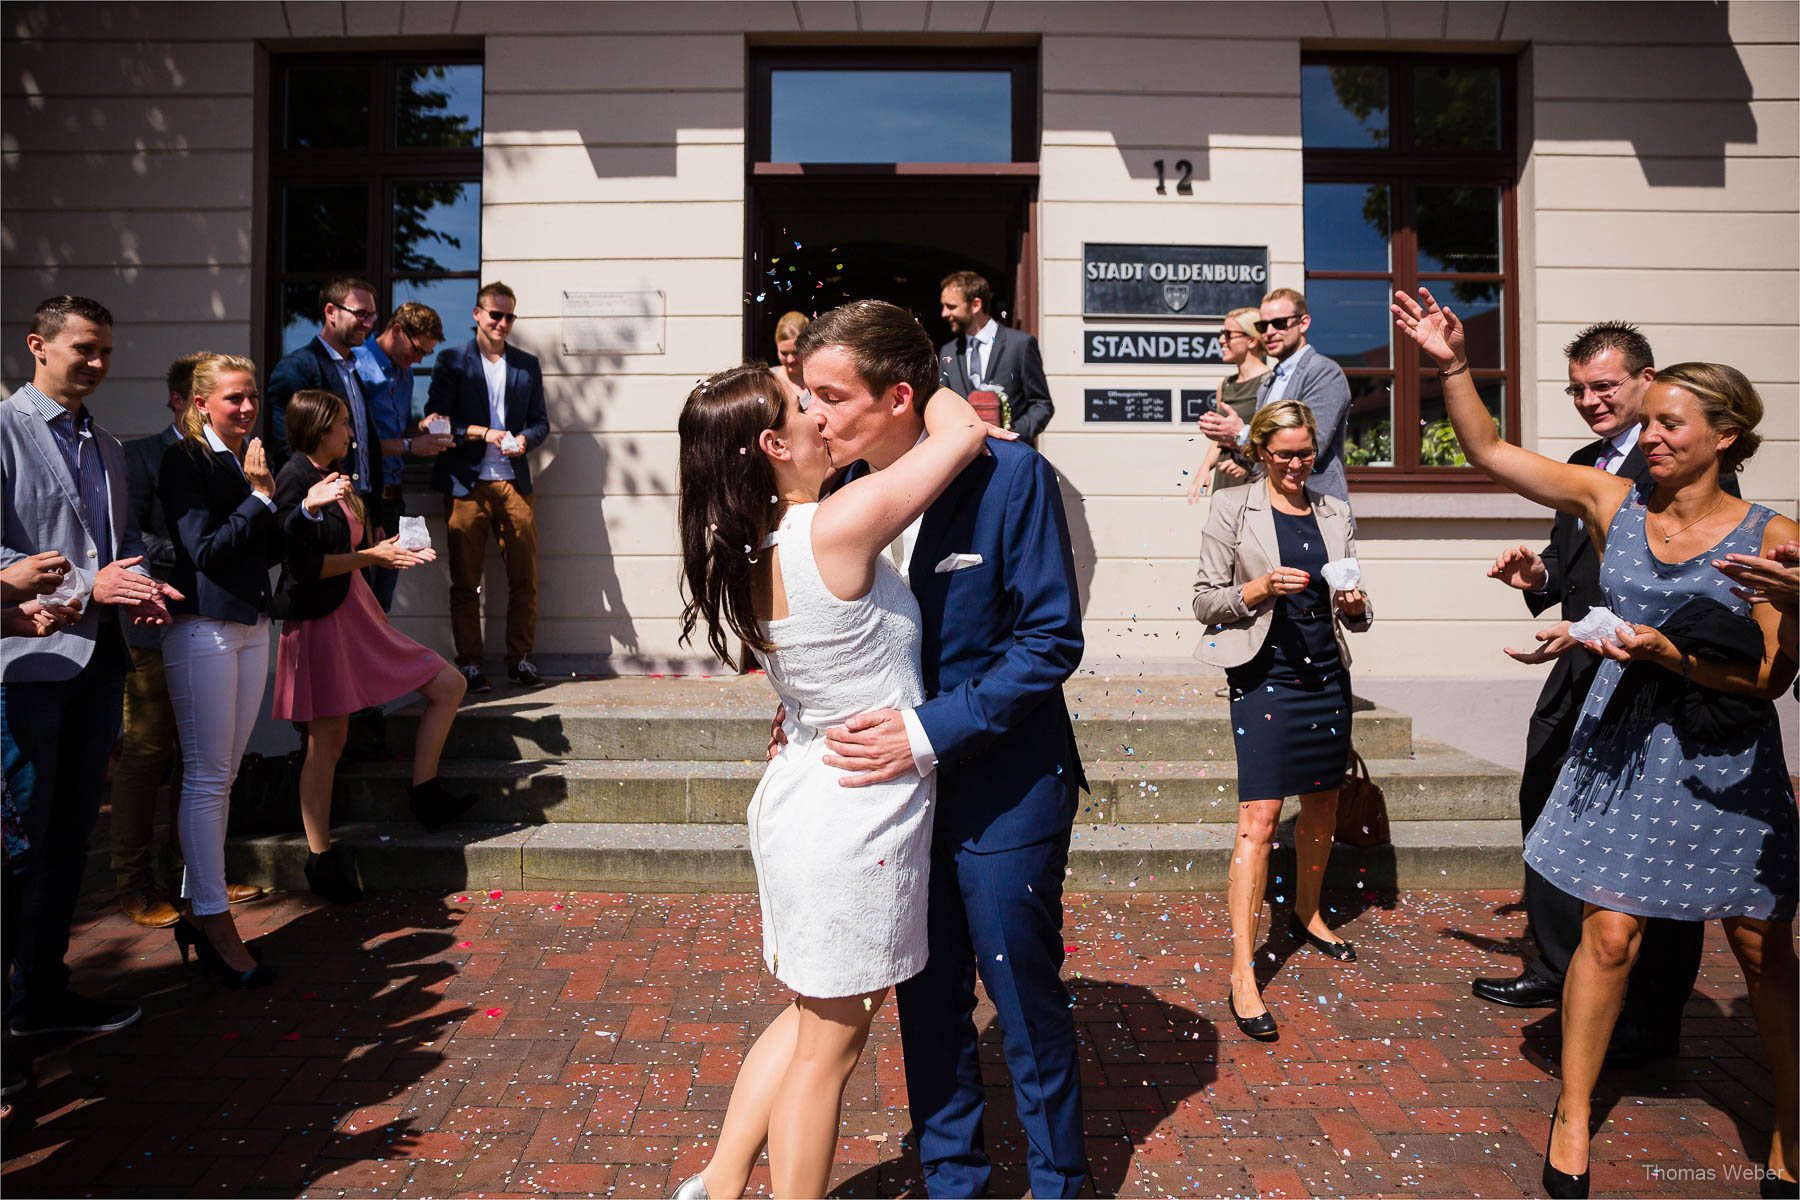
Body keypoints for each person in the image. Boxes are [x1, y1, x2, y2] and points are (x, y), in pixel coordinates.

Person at [1396, 286, 1798, 1200]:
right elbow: (1492, 451)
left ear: (1724, 435)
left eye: (1668, 423)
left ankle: (1791, 1123)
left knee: (1762, 948)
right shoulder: (1610, 500)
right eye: (1645, 423)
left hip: (1724, 760)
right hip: (1622, 746)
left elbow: (1769, 681)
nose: (1648, 437)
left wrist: (1692, 651)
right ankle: (1572, 1116)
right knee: (1608, 933)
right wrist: (1453, 364)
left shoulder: (1774, 539)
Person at [671, 357, 989, 1200]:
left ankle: (722, 1181)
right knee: (833, 1048)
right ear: (774, 442)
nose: (820, 412)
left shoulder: (750, 546)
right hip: (855, 813)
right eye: (800, 404)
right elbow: (960, 430)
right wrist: (926, 372)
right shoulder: (835, 523)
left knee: (819, 1014)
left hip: (812, 789)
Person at [811, 301, 1089, 1200]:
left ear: (899, 398)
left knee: (1021, 1001)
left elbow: (1048, 643)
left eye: (830, 395)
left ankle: (1059, 1184)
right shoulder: (837, 496)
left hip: (1006, 784)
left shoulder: (1014, 479)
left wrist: (928, 732)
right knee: (927, 1008)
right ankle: (953, 1182)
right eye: (805, 397)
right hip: (890, 802)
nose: (814, 416)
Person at [1472, 323, 1710, 1071]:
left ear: (1647, 380)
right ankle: (1556, 966)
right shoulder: (1584, 465)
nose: (1589, 400)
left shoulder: (1678, 465)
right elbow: (1571, 568)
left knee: (1650, 848)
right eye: (1577, 388)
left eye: (1604, 386)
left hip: (1646, 679)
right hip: (1574, 669)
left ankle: (1647, 1022)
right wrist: (1536, 577)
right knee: (1546, 810)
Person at [1, 295, 180, 1040]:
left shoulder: (108, 445)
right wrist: (86, 583)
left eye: (107, 350)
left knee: (73, 835)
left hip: (100, 662)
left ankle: (41, 996)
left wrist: (136, 586)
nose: (100, 364)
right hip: (26, 666)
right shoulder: (5, 428)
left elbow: (115, 547)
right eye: (85, 349)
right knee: (21, 844)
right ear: (39, 345)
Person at [1190, 399, 1371, 1042]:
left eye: (1307, 453)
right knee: (1260, 819)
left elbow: (1358, 608)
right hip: (1265, 678)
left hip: (1326, 677)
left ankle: (1308, 910)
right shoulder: (1232, 506)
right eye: (1286, 454)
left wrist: (1353, 603)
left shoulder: (1334, 512)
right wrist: (1259, 589)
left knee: (1322, 803)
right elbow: (1205, 600)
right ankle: (1243, 968)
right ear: (1262, 451)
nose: (1299, 465)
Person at [270, 391, 473, 904]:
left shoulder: (337, 474)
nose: (350, 433)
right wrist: (371, 558)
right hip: (323, 621)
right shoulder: (294, 478)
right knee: (327, 743)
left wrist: (389, 550)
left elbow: (355, 545)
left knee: (449, 683)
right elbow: (305, 568)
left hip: (358, 612)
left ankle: (424, 793)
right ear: (319, 429)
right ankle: (320, 859)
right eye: (341, 424)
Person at [156, 354, 294, 987]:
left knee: (226, 774)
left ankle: (196, 906)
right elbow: (205, 553)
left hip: (251, 623)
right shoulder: (185, 461)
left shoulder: (249, 458)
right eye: (233, 399)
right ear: (201, 403)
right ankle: (213, 919)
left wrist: (285, 502)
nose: (246, 408)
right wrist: (260, 497)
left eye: (251, 398)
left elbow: (263, 548)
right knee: (208, 777)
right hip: (203, 628)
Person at [112, 353, 252, 929]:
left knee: (202, 758)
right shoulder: (143, 455)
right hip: (153, 619)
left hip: (212, 619)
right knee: (149, 750)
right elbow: (130, 535)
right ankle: (134, 882)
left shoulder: (235, 455)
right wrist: (182, 569)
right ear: (184, 400)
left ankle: (193, 873)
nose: (242, 409)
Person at [425, 281, 551, 693]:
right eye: (495, 314)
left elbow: (541, 423)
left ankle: (520, 660)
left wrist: (525, 441)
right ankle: (471, 665)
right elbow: (436, 420)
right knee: (465, 581)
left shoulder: (526, 364)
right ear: (477, 314)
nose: (502, 323)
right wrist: (484, 433)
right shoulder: (451, 360)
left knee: (524, 578)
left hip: (514, 483)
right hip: (467, 484)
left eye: (509, 316)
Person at [1198, 287, 1353, 501]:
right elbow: (1265, 457)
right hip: (1275, 508)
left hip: (1317, 510)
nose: (1269, 332)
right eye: (1263, 326)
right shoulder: (1269, 382)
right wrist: (1240, 456)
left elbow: (1312, 445)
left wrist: (1240, 434)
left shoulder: (1323, 372)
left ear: (1303, 323)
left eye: (1279, 323)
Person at [353, 301, 454, 611]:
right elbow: (358, 441)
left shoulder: (404, 374)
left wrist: (419, 431)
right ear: (396, 331)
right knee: (361, 604)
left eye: (426, 354)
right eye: (416, 350)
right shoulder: (356, 363)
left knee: (381, 605)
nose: (419, 359)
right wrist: (411, 447)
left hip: (394, 500)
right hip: (364, 500)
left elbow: (393, 434)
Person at [265, 276, 382, 494]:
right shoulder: (298, 367)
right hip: (321, 506)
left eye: (372, 315)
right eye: (361, 314)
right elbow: (288, 446)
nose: (369, 323)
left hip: (357, 502)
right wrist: (316, 504)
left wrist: (373, 518)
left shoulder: (353, 369)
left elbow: (365, 444)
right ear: (331, 312)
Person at [938, 270, 1054, 446]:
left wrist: (1012, 433)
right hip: (962, 459)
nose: (944, 313)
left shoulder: (1020, 345)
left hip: (1012, 455)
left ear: (975, 305)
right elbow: (942, 406)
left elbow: (1041, 404)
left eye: (951, 306)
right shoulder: (948, 352)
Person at [1188, 306, 1273, 501]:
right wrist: (1204, 468)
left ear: (1251, 340)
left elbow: (1275, 440)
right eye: (1221, 334)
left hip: (1255, 480)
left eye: (1228, 334)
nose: (1221, 340)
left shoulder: (1270, 383)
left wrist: (1249, 463)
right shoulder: (1225, 385)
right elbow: (1220, 439)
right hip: (1224, 477)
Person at [771, 310, 810, 403]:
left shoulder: (821, 379)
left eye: (796, 352)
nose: (790, 360)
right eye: (784, 353)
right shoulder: (768, 381)